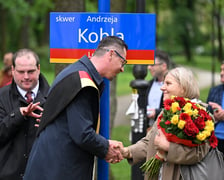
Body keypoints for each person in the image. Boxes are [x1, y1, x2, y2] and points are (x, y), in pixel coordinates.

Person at [24, 36, 128, 180]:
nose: (122, 69)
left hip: (49, 165)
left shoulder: (76, 72)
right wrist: (106, 148)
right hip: (58, 170)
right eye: (123, 62)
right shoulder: (84, 83)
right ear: (111, 54)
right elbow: (82, 134)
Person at [121, 67, 211, 180]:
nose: (162, 88)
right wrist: (127, 152)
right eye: (163, 83)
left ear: (183, 87)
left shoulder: (201, 115)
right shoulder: (165, 112)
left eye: (168, 84)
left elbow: (198, 153)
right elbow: (150, 142)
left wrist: (168, 147)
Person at [0, 49, 50, 180]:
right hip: (8, 175)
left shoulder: (53, 96)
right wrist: (18, 115)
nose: (26, 77)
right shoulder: (2, 96)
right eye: (21, 72)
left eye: (31, 71)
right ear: (13, 70)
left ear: (38, 69)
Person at [146, 49, 171, 128]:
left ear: (164, 66)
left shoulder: (175, 85)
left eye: (152, 65)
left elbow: (176, 106)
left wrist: (156, 112)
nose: (149, 67)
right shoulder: (148, 84)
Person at [207, 61, 224, 154]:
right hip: (215, 140)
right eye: (221, 70)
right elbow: (206, 112)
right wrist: (215, 115)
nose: (221, 73)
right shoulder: (214, 90)